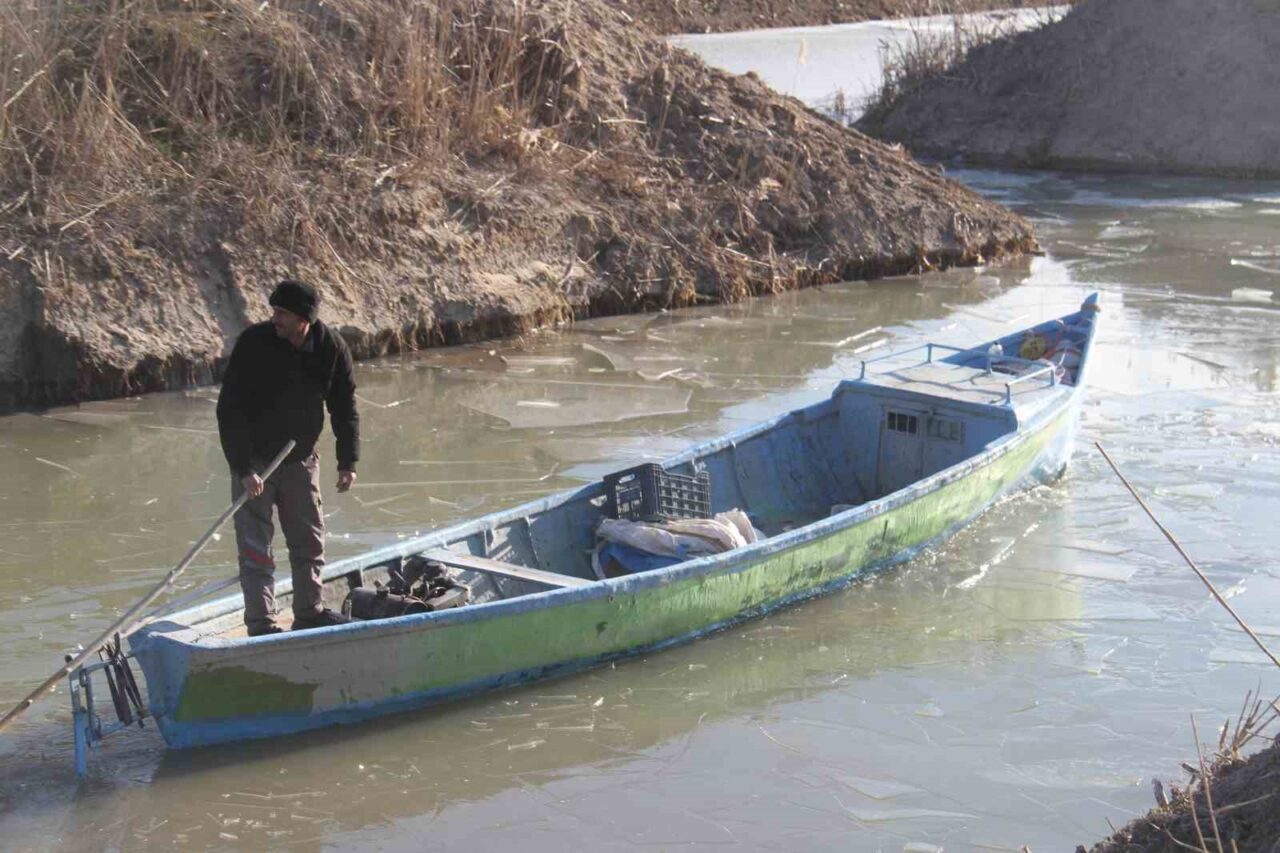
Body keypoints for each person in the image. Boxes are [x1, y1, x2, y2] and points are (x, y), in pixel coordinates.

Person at [216, 280, 359, 635]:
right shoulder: (255, 343)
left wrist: (347, 461)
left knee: (309, 541)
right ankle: (261, 624)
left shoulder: (330, 348)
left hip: (300, 461)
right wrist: (243, 468)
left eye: (282, 313)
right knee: (256, 548)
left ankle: (309, 613)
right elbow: (229, 409)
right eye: (274, 311)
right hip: (255, 464)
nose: (274, 318)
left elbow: (344, 407)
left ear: (303, 319)